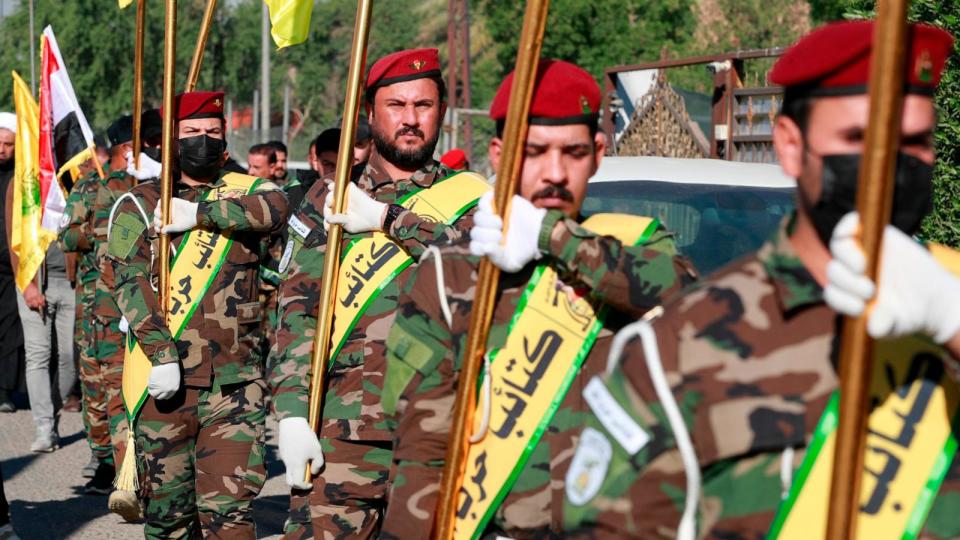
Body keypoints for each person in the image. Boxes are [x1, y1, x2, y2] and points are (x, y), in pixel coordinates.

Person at [560, 20, 960, 539]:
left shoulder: (950, 304)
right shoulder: (681, 347)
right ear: (791, 146)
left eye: (914, 142)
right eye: (858, 138)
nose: (892, 166)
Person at [379, 59, 695, 539]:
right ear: (501, 155)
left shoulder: (636, 250)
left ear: (598, 153)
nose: (554, 173)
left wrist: (553, 236)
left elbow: (687, 299)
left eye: (572, 153)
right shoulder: (450, 273)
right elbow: (422, 448)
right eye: (535, 152)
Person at [269, 47, 488, 538]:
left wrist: (392, 222)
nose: (410, 120)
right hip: (342, 435)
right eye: (396, 106)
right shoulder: (328, 200)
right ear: (371, 114)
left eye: (423, 106)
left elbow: (480, 273)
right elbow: (295, 316)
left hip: (442, 435)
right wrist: (290, 414)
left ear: (441, 113)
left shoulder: (475, 199)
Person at [108, 90, 288, 538]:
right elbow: (126, 282)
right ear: (170, 140)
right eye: (191, 133)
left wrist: (200, 216)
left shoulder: (247, 192)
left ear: (226, 138)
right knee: (169, 520)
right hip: (162, 386)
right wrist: (161, 351)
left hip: (235, 385)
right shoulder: (136, 204)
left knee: (230, 517)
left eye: (212, 132)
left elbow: (279, 207)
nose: (202, 141)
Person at [60, 117, 137, 495]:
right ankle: (105, 460)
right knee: (99, 388)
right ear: (128, 148)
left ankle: (137, 466)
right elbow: (68, 236)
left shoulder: (156, 186)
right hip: (97, 307)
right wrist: (98, 231)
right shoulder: (92, 188)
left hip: (144, 305)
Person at [5, 121, 77, 454]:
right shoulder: (21, 187)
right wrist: (28, 285)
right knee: (37, 355)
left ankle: (57, 411)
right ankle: (44, 428)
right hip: (35, 283)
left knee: (69, 358)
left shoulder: (74, 182)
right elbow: (14, 242)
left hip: (71, 284)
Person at [0, 113, 24, 414]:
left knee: (8, 327)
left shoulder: (22, 176)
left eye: (8, 144)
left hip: (10, 265)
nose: (2, 149)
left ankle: (4, 389)